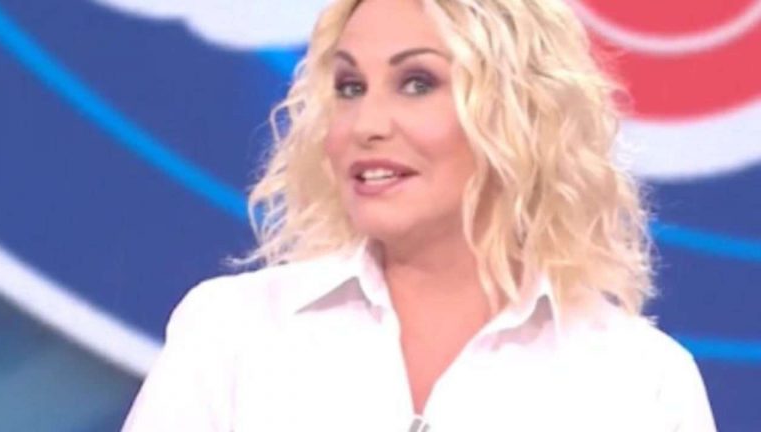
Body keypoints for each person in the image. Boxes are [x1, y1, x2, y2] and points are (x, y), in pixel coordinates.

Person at [122, 0, 716, 430]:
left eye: (416, 83)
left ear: (517, 110)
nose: (366, 124)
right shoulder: (232, 332)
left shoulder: (640, 382)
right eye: (350, 87)